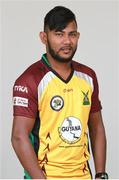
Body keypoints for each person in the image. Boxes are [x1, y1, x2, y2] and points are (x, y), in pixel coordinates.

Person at [11, 6, 108, 179]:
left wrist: (101, 174)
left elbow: (97, 127)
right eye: (59, 34)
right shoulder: (30, 79)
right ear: (44, 37)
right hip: (46, 176)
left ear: (78, 36)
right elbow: (19, 137)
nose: (67, 41)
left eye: (72, 34)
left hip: (83, 175)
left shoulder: (88, 76)